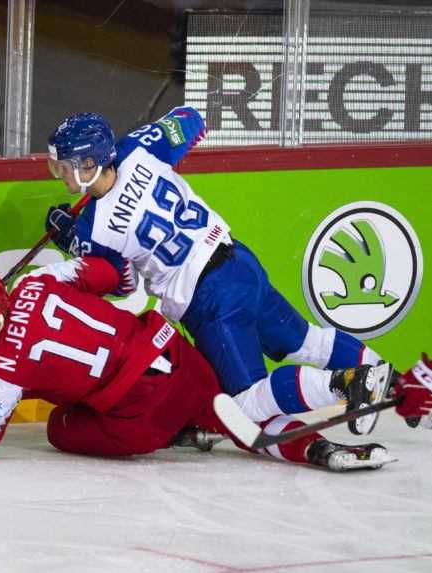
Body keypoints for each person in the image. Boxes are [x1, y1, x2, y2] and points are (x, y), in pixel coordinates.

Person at [42, 107, 392, 436]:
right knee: (306, 342)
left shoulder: (93, 228)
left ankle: (347, 384)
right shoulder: (137, 147)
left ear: (89, 164)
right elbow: (190, 120)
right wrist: (160, 156)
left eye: (64, 166)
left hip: (209, 300)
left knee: (244, 403)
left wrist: (71, 240)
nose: (59, 174)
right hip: (240, 262)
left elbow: (121, 283)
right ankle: (392, 383)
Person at [0, 256, 396, 472]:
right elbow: (114, 273)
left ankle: (337, 386)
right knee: (244, 416)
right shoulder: (39, 279)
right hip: (175, 356)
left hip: (140, 418)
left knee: (58, 427)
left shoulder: (1, 367)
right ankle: (320, 448)